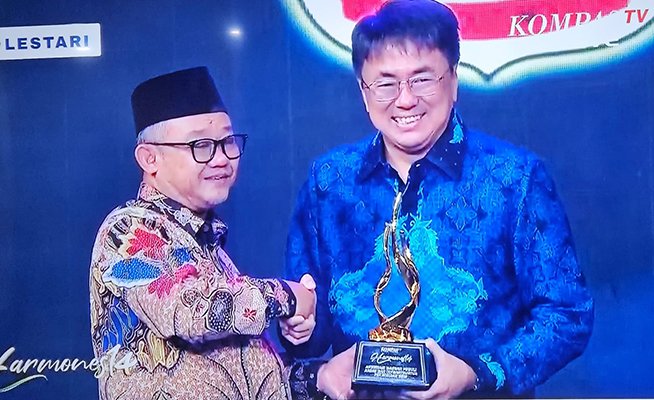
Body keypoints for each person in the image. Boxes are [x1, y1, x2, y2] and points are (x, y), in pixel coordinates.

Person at [282, 1, 594, 398]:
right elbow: (311, 321)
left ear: (454, 80)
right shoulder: (328, 181)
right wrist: (300, 327)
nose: (405, 99)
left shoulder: (515, 178)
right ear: (363, 91)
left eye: (422, 79)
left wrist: (478, 373)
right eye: (385, 83)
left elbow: (567, 313)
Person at [89, 66, 316, 400]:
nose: (221, 158)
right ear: (150, 158)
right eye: (201, 145)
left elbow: (233, 371)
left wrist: (319, 378)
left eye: (227, 142)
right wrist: (288, 296)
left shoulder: (208, 246)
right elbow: (197, 312)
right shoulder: (127, 231)